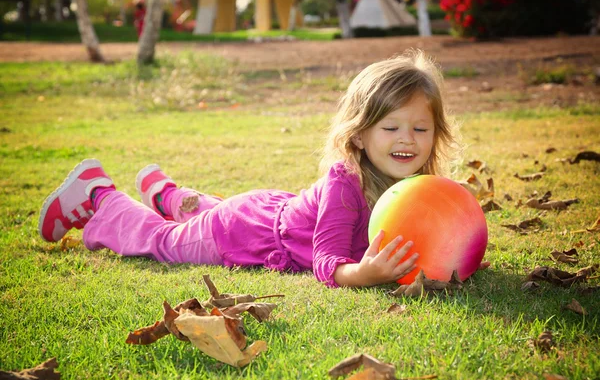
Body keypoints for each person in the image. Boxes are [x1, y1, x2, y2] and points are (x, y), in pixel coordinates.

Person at [38, 50, 486, 288]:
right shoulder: (344, 183)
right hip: (243, 233)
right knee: (166, 244)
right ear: (358, 135)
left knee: (196, 219)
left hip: (277, 211)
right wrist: (363, 275)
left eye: (421, 128)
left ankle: (171, 197)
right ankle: (99, 195)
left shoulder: (422, 186)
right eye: (391, 127)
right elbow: (328, 262)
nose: (407, 140)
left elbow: (439, 240)